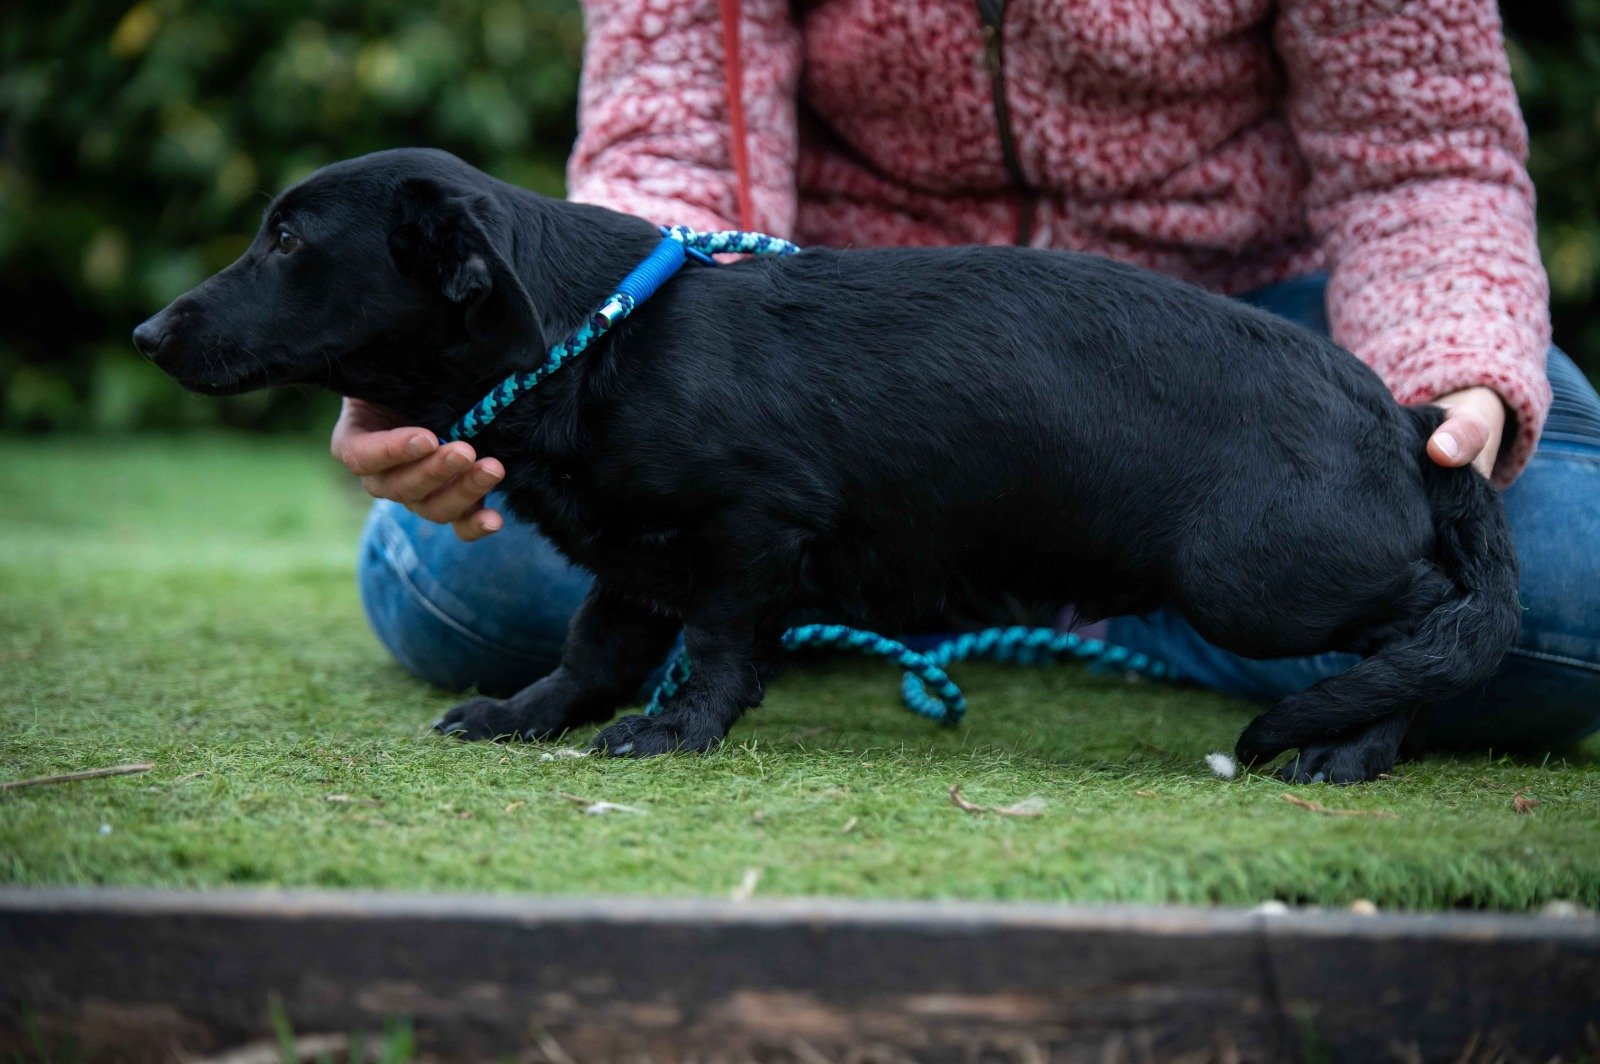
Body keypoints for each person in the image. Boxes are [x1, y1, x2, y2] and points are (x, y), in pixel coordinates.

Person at [342, 0, 1600, 751]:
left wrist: (1456, 373)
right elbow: (672, 157)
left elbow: (1422, 157)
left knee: (1565, 593)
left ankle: (1077, 578)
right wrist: (499, 363)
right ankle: (955, 571)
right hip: (855, 367)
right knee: (478, 587)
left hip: (1247, 355)